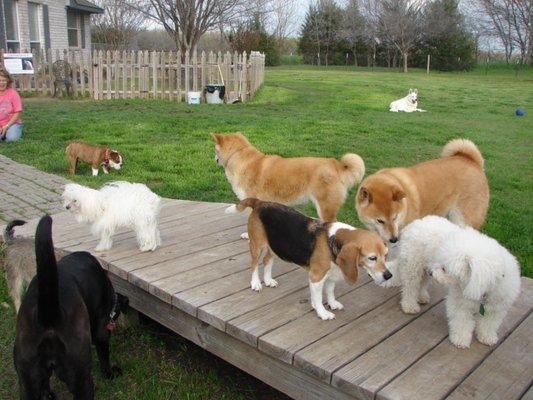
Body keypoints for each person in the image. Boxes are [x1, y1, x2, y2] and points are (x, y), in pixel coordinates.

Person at [0, 69, 23, 142]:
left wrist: (7, 126)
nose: (1, 83)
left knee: (11, 139)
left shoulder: (13, 93)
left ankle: (9, 132)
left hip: (12, 123)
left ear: (8, 81)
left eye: (4, 80)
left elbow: (18, 112)